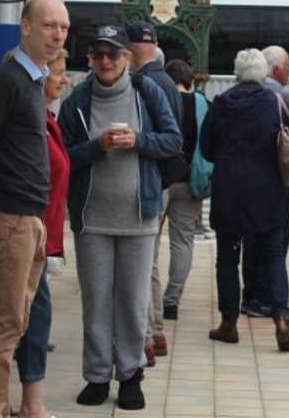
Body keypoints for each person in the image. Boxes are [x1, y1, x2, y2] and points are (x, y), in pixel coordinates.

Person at [58, 25, 182, 411]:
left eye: (113, 54)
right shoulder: (76, 100)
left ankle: (130, 375)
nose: (106, 61)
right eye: (98, 54)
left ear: (127, 58)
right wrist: (98, 147)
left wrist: (138, 141)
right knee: (96, 302)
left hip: (140, 217)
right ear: (90, 59)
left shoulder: (148, 93)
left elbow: (173, 140)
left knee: (132, 301)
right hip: (92, 218)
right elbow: (63, 157)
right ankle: (96, 376)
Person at [0, 0, 70, 418]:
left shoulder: (35, 81)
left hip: (30, 217)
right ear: (25, 27)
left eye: (62, 27)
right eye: (48, 26)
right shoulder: (7, 81)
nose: (57, 34)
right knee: (6, 328)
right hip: (10, 218)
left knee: (12, 322)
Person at [200, 49, 289, 352]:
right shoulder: (274, 102)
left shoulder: (221, 103)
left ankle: (229, 323)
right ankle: (281, 317)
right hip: (268, 192)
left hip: (228, 191)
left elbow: (206, 149)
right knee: (274, 254)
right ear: (265, 73)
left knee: (227, 257)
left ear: (236, 72)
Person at [241, 45, 289, 318]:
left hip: (246, 182)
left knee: (251, 241)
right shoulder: (281, 97)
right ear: (275, 69)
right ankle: (271, 299)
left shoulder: (238, 96)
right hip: (278, 181)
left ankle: (250, 297)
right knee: (274, 243)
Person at [126, 21, 182, 364]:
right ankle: (156, 331)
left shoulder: (142, 83)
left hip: (147, 183)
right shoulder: (168, 82)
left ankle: (147, 337)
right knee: (152, 260)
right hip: (163, 182)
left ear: (130, 51)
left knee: (142, 264)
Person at [160, 59, 211, 321]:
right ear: (190, 80)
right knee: (182, 242)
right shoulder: (202, 104)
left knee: (147, 242)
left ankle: (145, 297)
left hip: (159, 181)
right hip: (190, 181)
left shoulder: (160, 100)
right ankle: (171, 301)